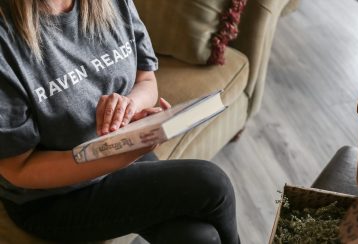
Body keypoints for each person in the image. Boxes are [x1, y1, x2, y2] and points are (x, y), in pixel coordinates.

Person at [0, 0, 240, 243]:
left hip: (122, 148)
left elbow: (146, 79)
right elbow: (18, 169)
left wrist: (130, 106)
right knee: (211, 182)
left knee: (198, 238)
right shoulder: (5, 43)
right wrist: (117, 155)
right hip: (53, 197)